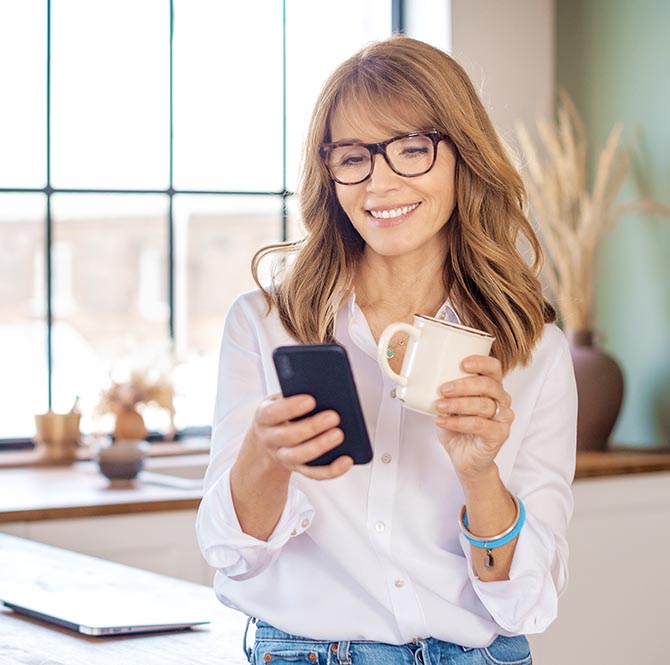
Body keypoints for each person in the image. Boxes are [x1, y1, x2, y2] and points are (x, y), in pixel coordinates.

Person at [197, 34, 577, 665]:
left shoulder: (533, 351)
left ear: (464, 156)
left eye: (411, 149)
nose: (380, 182)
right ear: (330, 172)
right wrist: (266, 456)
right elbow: (231, 552)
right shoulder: (267, 325)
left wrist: (479, 472)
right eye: (353, 157)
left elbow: (524, 603)